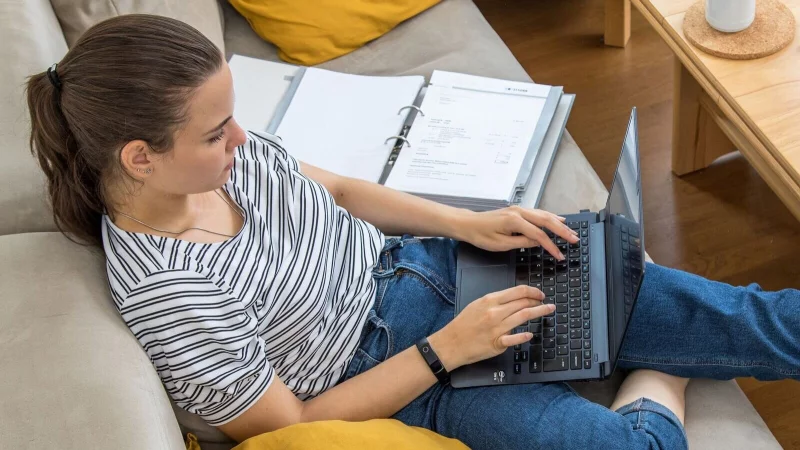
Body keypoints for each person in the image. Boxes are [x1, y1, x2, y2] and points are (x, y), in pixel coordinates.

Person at [26, 14, 798, 450]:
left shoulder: (222, 160)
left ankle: (658, 333)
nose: (241, 138)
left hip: (429, 268)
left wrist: (473, 223)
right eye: (217, 131)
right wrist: (447, 349)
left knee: (760, 321)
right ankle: (670, 370)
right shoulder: (171, 295)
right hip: (402, 376)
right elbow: (292, 424)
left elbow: (337, 188)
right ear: (141, 157)